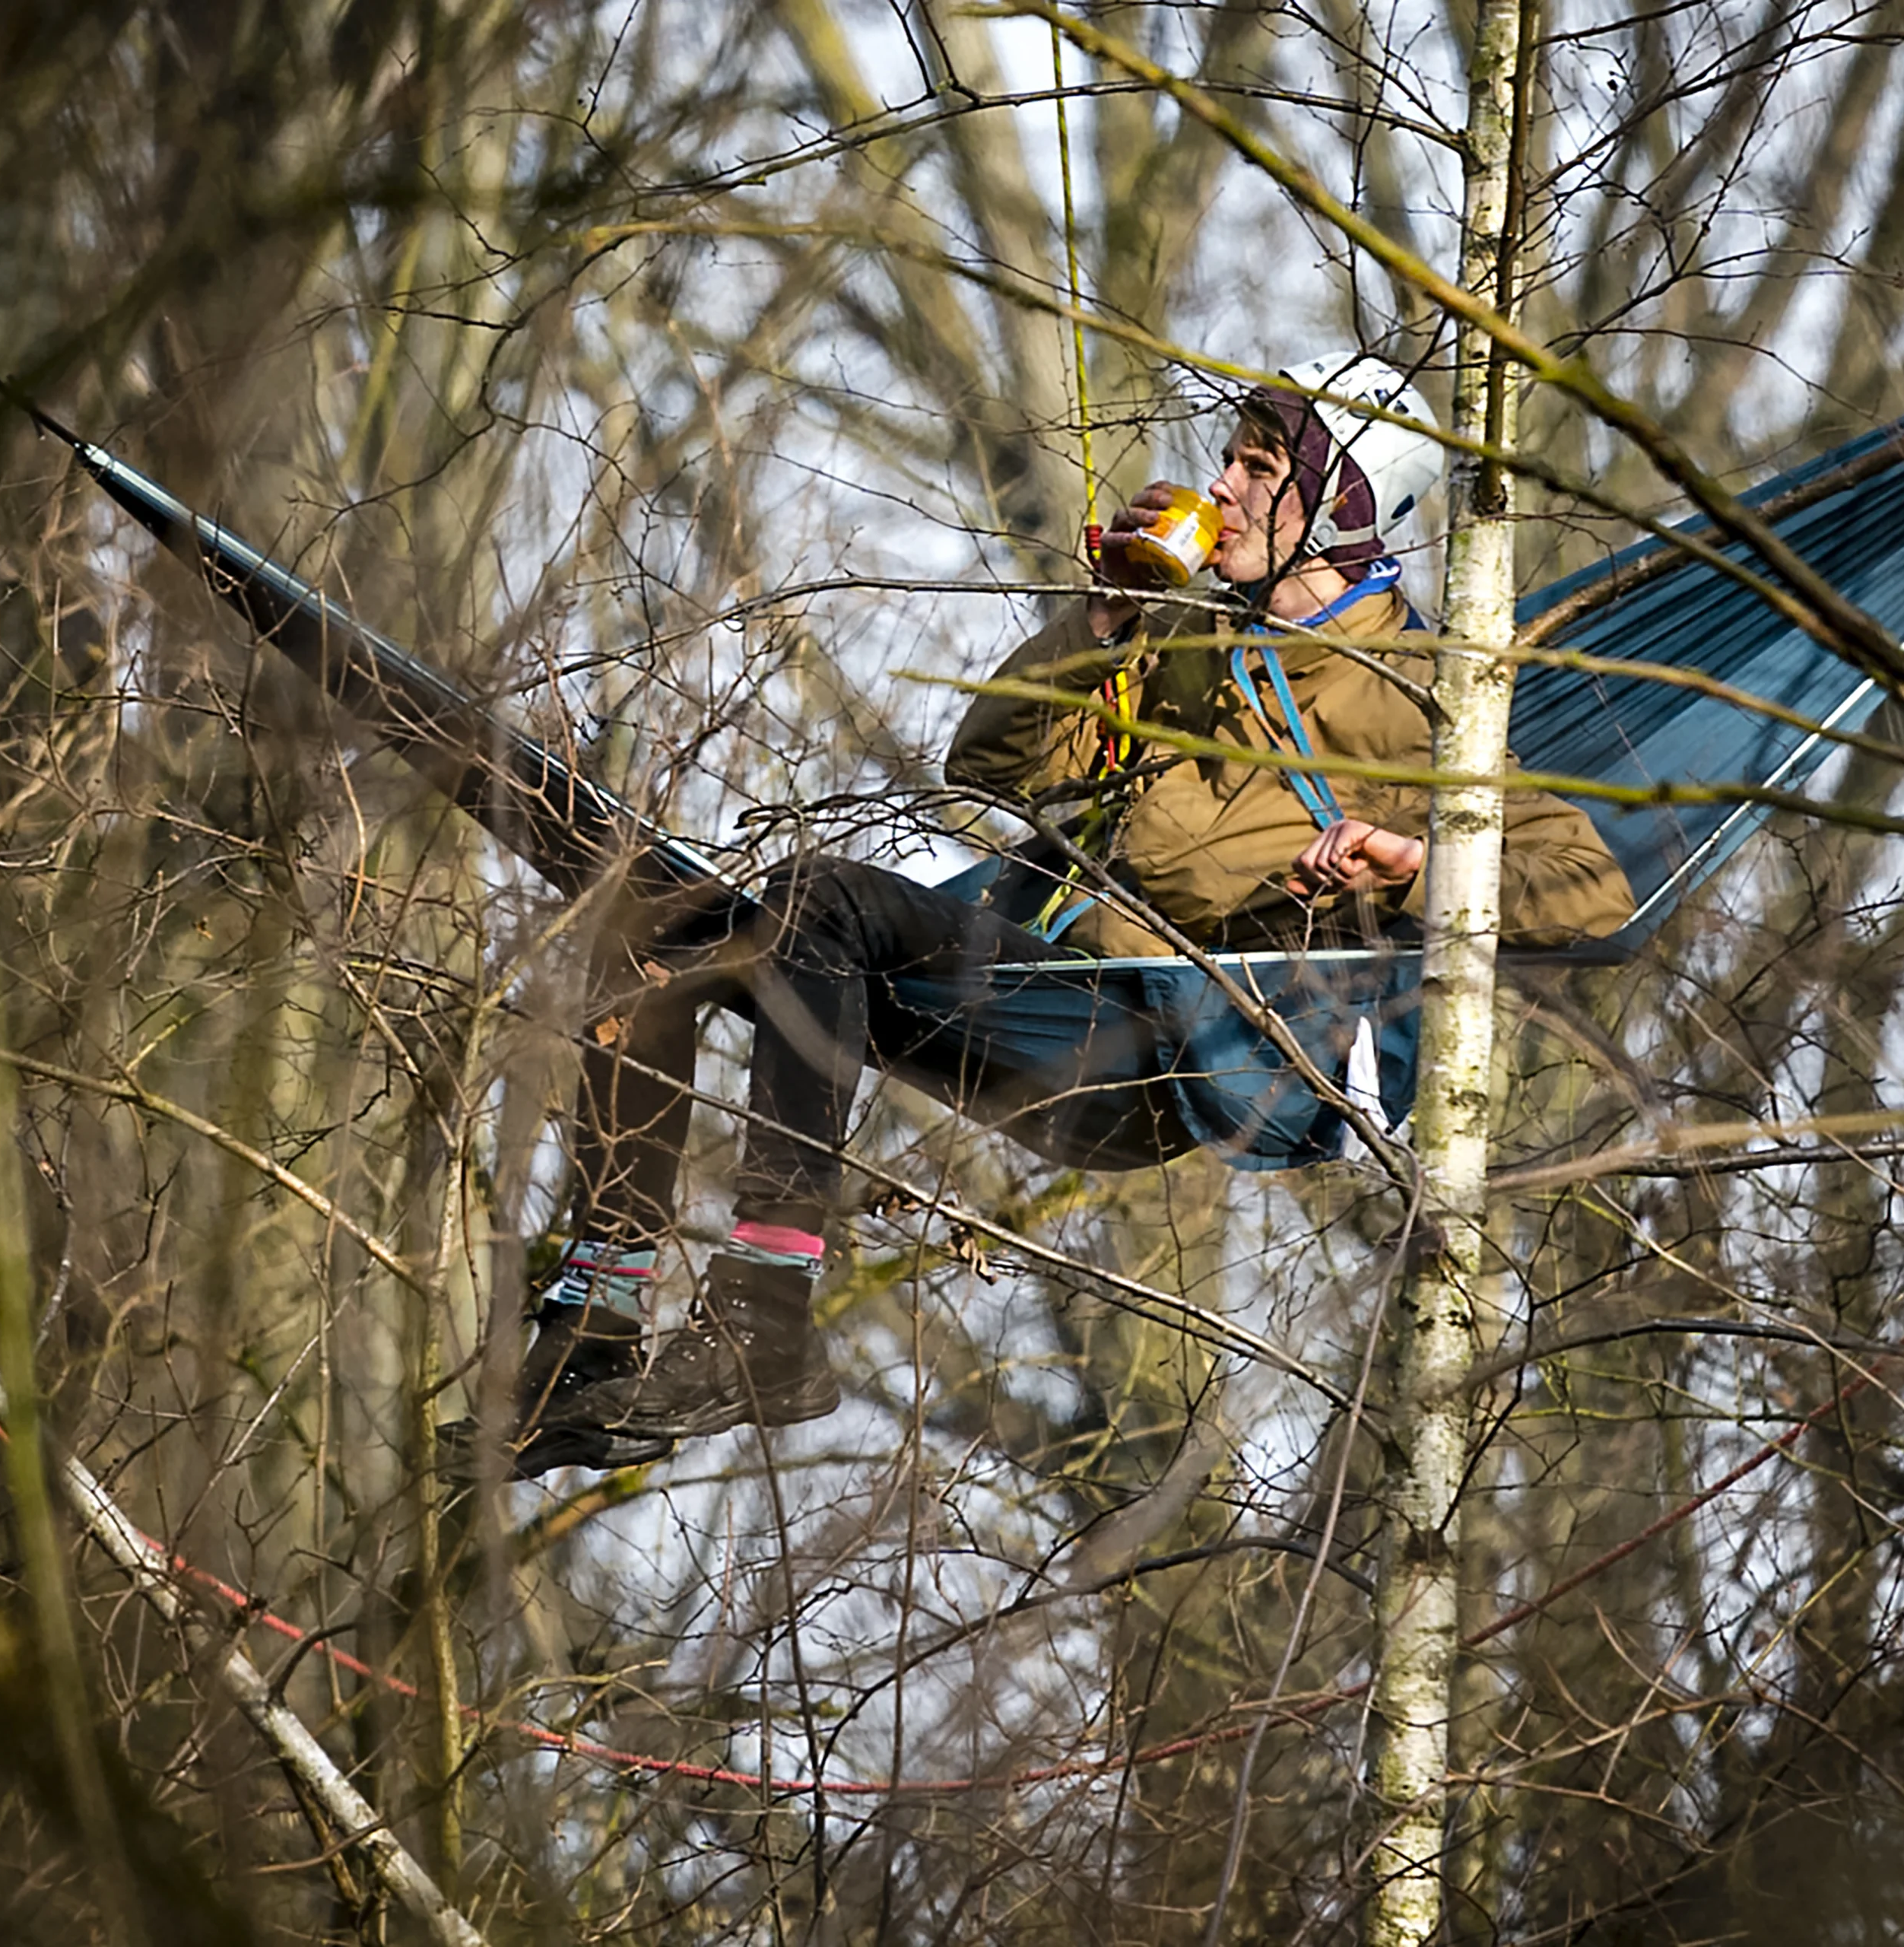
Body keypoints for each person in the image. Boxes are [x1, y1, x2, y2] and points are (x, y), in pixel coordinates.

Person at [500, 355, 1635, 1474]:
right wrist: (1104, 622)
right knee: (683, 926)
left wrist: (1408, 859)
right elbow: (990, 762)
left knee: (819, 902)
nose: (1223, 488)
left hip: (1167, 1047)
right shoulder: (1191, 640)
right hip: (1051, 984)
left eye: (1255, 470)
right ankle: (598, 1317)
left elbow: (1591, 893)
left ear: (1338, 503)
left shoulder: (1415, 691)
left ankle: (764, 1323)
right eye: (1227, 462)